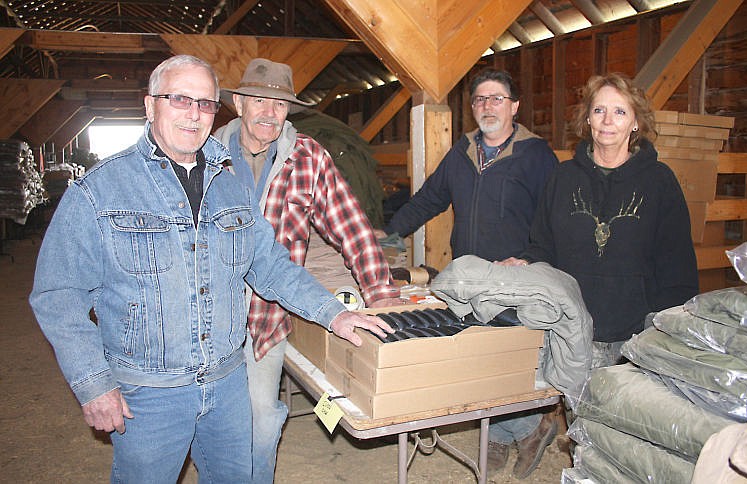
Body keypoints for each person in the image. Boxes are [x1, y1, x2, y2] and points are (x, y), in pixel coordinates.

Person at [28, 54, 392, 483]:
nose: (193, 113)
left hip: (226, 382)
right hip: (149, 393)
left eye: (203, 103)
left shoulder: (229, 184)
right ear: (150, 106)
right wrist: (93, 384)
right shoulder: (99, 191)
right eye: (179, 99)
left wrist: (334, 312)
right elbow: (58, 295)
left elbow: (271, 265)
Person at [214, 58, 402, 483]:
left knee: (261, 418)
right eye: (259, 100)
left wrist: (382, 294)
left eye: (279, 105)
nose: (269, 113)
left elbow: (352, 225)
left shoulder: (308, 157)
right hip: (210, 314)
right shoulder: (207, 158)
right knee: (207, 418)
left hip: (266, 312)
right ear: (239, 103)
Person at [380, 69, 559, 479]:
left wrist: (532, 258)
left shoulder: (536, 156)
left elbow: (554, 216)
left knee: (505, 359)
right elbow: (430, 198)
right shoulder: (462, 153)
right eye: (480, 100)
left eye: (497, 99)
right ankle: (507, 431)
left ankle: (528, 427)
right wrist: (390, 231)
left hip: (515, 276)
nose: (487, 107)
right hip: (470, 274)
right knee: (480, 357)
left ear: (514, 107)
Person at [500, 72, 699, 368]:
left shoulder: (659, 182)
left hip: (634, 339)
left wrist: (665, 336)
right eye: (599, 111)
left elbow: (678, 266)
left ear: (635, 123)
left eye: (619, 112)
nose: (607, 121)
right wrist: (524, 263)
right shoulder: (563, 178)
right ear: (588, 120)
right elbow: (542, 246)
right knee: (577, 412)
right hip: (571, 331)